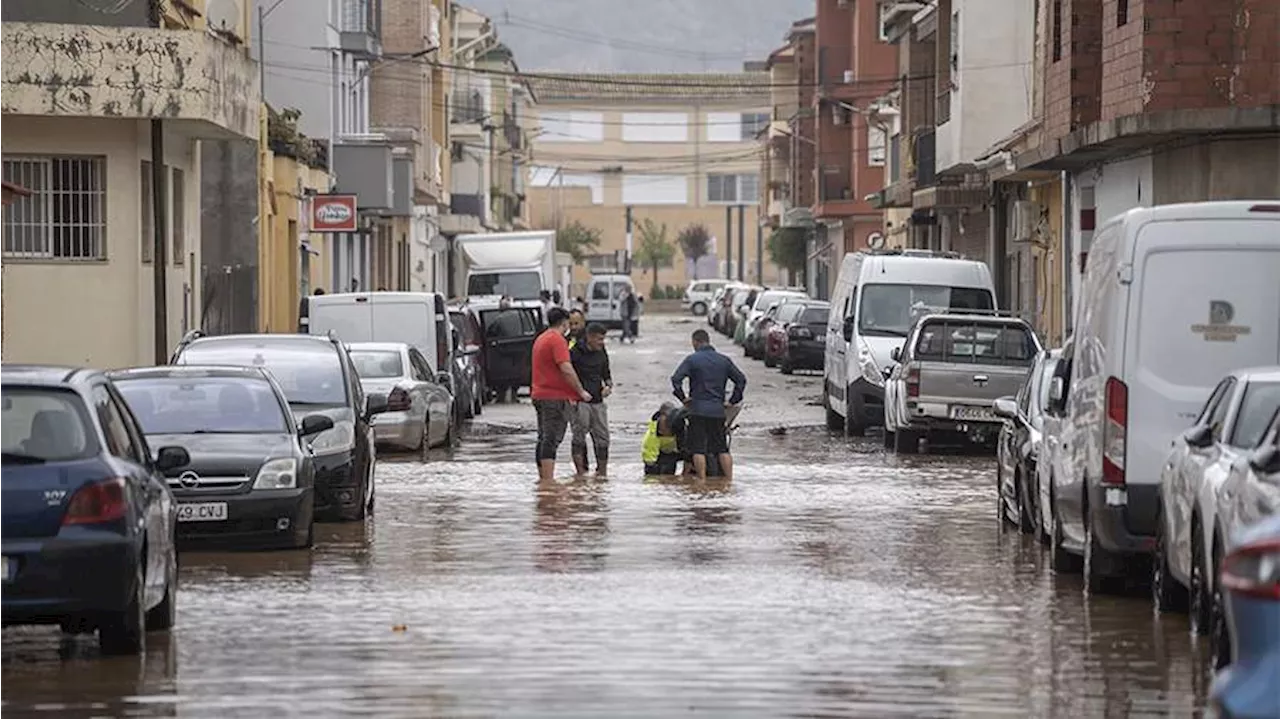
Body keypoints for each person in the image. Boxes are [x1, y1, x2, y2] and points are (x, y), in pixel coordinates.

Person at [671, 329, 746, 481]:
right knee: (721, 448)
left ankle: (702, 481)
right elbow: (741, 380)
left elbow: (676, 379)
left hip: (697, 410)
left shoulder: (692, 360)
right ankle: (728, 481)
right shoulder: (724, 360)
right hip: (718, 411)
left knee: (698, 449)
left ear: (695, 342)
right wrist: (732, 401)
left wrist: (683, 398)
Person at [531, 307, 593, 481]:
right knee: (551, 438)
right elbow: (566, 368)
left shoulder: (541, 339)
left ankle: (542, 478)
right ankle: (548, 481)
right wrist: (580, 391)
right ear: (564, 323)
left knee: (543, 437)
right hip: (553, 397)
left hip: (539, 394)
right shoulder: (557, 341)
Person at [569, 322, 613, 476]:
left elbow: (606, 374)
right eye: (599, 339)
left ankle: (602, 473)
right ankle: (580, 473)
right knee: (579, 435)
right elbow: (567, 375)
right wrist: (573, 395)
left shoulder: (602, 351)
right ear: (589, 338)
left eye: (603, 339)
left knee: (603, 437)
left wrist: (608, 386)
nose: (602, 342)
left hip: (598, 401)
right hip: (579, 401)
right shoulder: (575, 352)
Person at [642, 401, 686, 476]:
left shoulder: (681, 427)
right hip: (662, 454)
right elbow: (649, 460)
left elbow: (689, 451)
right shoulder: (652, 435)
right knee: (658, 470)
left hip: (676, 451)